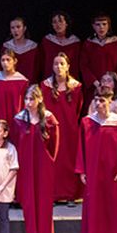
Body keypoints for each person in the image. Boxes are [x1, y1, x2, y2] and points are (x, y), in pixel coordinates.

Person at [76, 93, 117, 233]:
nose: (98, 103)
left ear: (110, 102)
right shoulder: (87, 122)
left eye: (102, 100)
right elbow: (81, 147)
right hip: (93, 172)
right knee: (94, 208)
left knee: (112, 209)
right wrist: (82, 170)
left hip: (112, 174)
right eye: (95, 100)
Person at [10, 85, 59, 233]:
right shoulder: (19, 120)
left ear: (40, 99)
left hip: (44, 168)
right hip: (25, 168)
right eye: (26, 99)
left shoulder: (49, 119)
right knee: (29, 205)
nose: (28, 102)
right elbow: (15, 144)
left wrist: (49, 163)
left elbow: (54, 146)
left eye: (32, 99)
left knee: (44, 205)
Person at [40, 53, 83, 203]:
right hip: (51, 128)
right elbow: (42, 108)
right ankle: (52, 194)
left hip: (70, 129)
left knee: (69, 161)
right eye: (55, 63)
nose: (58, 66)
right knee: (53, 160)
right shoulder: (45, 86)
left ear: (68, 66)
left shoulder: (76, 87)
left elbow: (78, 108)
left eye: (62, 63)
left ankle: (70, 195)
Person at [79, 13, 117, 107]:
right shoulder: (88, 44)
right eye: (98, 24)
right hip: (94, 86)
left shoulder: (116, 42)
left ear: (108, 25)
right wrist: (95, 83)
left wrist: (114, 83)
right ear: (93, 26)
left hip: (112, 87)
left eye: (104, 24)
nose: (101, 27)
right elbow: (83, 65)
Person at [0, 48, 29, 129]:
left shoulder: (22, 82)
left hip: (17, 124)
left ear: (15, 61)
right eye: (3, 60)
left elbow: (26, 104)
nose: (5, 63)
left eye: (8, 60)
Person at [37, 11, 81, 80]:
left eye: (60, 21)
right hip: (50, 80)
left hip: (70, 80)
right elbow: (41, 62)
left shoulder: (75, 42)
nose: (58, 24)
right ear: (52, 25)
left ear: (66, 23)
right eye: (54, 22)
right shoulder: (47, 41)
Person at [0, 17, 39, 82]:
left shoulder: (33, 47)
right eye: (12, 28)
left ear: (24, 28)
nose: (15, 30)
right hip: (11, 83)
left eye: (18, 27)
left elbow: (38, 68)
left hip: (29, 84)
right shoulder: (6, 47)